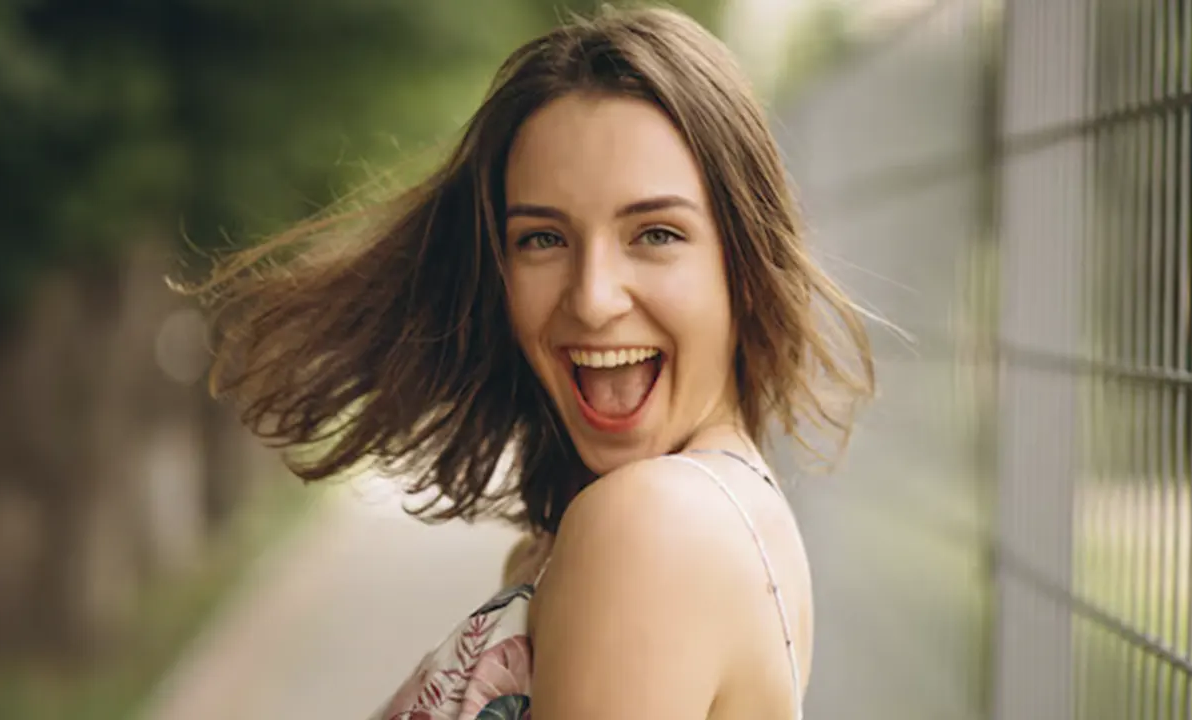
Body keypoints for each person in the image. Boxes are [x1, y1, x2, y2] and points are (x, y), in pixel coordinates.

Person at [201, 5, 873, 718]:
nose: (591, 298)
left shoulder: (653, 527)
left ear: (743, 261)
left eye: (655, 233)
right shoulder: (713, 512)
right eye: (543, 239)